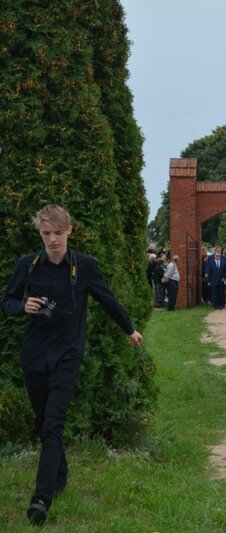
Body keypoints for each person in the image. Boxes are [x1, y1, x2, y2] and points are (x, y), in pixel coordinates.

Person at [2, 205, 144, 525]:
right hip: (34, 355)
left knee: (53, 424)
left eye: (57, 232)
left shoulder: (85, 267)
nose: (52, 239)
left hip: (68, 354)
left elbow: (108, 300)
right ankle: (60, 474)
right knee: (43, 423)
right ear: (40, 233)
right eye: (45, 233)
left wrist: (129, 329)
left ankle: (41, 498)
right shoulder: (28, 265)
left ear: (69, 231)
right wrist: (23, 305)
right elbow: (6, 303)